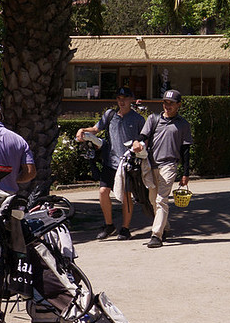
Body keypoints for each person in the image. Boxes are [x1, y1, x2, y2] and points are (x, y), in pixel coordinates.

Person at [76, 86, 146, 240]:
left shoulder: (138, 119)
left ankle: (125, 229)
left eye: (125, 98)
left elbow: (144, 139)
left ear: (131, 99)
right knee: (103, 192)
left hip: (127, 163)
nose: (122, 101)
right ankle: (109, 225)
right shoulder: (110, 115)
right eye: (119, 99)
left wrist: (139, 147)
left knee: (126, 196)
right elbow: (96, 129)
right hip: (110, 162)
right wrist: (82, 130)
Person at [131, 89, 193, 248]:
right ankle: (165, 226)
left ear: (179, 105)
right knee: (153, 200)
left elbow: (185, 150)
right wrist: (137, 142)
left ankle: (156, 235)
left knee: (161, 199)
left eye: (171, 103)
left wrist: (185, 173)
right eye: (165, 102)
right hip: (152, 164)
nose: (167, 105)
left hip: (169, 165)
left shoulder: (183, 124)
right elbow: (143, 136)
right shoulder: (154, 119)